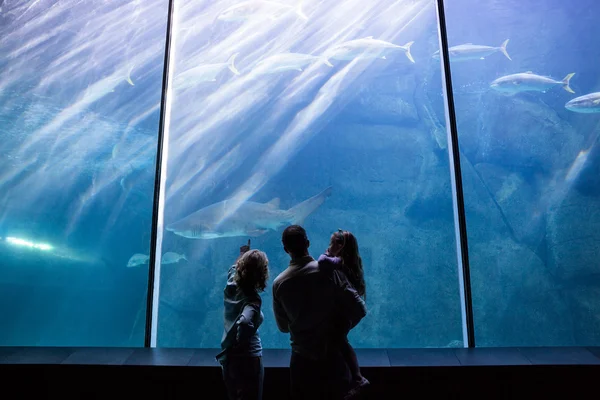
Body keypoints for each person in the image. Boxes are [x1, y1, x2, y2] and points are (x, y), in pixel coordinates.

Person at [272, 225, 367, 400]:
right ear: (308, 243)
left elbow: (284, 327)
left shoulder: (279, 284)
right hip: (333, 358)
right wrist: (341, 329)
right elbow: (359, 309)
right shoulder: (329, 272)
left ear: (286, 249)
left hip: (301, 361)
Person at [318, 229, 369, 399]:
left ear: (341, 246)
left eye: (333, 243)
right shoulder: (348, 262)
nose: (329, 246)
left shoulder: (339, 261)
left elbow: (322, 261)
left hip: (349, 310)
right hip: (351, 309)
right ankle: (351, 380)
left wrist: (330, 252)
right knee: (338, 341)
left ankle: (357, 379)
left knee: (338, 340)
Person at [216, 239, 269, 400]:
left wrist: (242, 255)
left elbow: (233, 270)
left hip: (228, 358)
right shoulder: (253, 299)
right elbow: (245, 322)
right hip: (248, 357)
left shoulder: (231, 285)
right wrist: (243, 340)